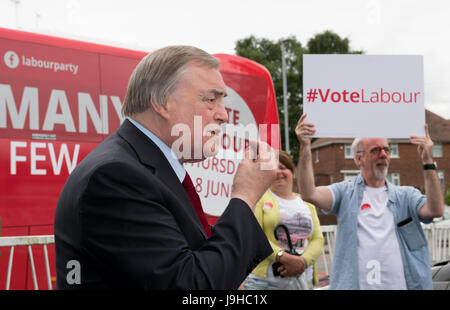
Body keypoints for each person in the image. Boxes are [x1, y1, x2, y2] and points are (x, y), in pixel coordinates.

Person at [54, 46, 278, 289]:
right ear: (161, 103)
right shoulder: (116, 176)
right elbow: (190, 286)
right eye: (211, 100)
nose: (224, 115)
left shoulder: (142, 168)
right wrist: (245, 196)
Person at [295, 114, 445, 290]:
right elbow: (309, 194)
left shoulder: (406, 196)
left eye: (386, 150)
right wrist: (305, 147)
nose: (383, 154)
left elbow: (436, 210)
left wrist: (428, 160)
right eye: (375, 150)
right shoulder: (344, 192)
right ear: (359, 159)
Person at [242, 150, 324, 290]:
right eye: (273, 168)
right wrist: (283, 257)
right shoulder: (259, 199)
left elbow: (318, 239)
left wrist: (302, 262)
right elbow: (255, 236)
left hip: (302, 282)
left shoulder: (307, 204)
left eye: (283, 168)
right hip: (265, 283)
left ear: (292, 172)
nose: (278, 172)